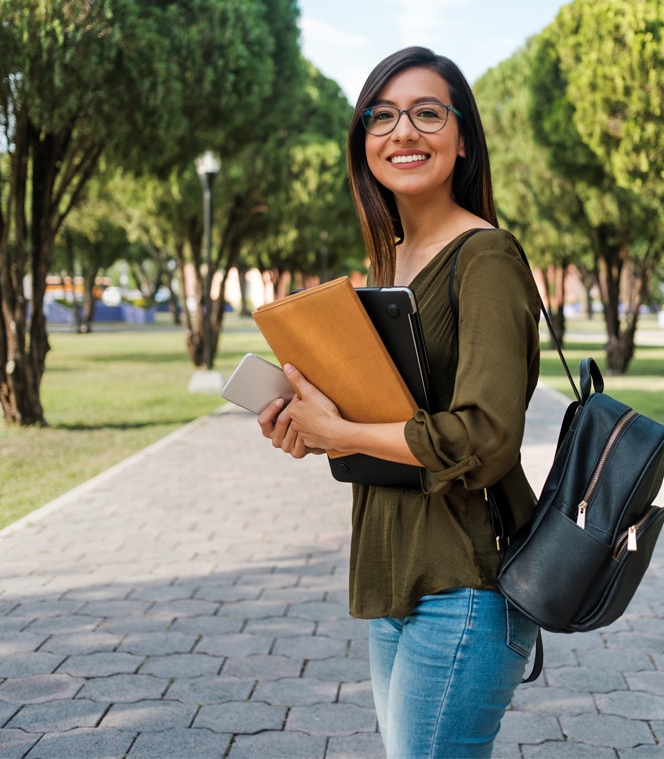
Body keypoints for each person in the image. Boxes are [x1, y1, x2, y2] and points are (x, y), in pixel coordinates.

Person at [258, 46, 541, 758]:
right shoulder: (391, 262)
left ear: (463, 136)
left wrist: (343, 427)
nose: (401, 131)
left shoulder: (486, 257)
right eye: (380, 116)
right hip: (396, 577)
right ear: (363, 143)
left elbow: (487, 436)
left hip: (466, 583)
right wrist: (313, 427)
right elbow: (384, 419)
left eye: (426, 112)